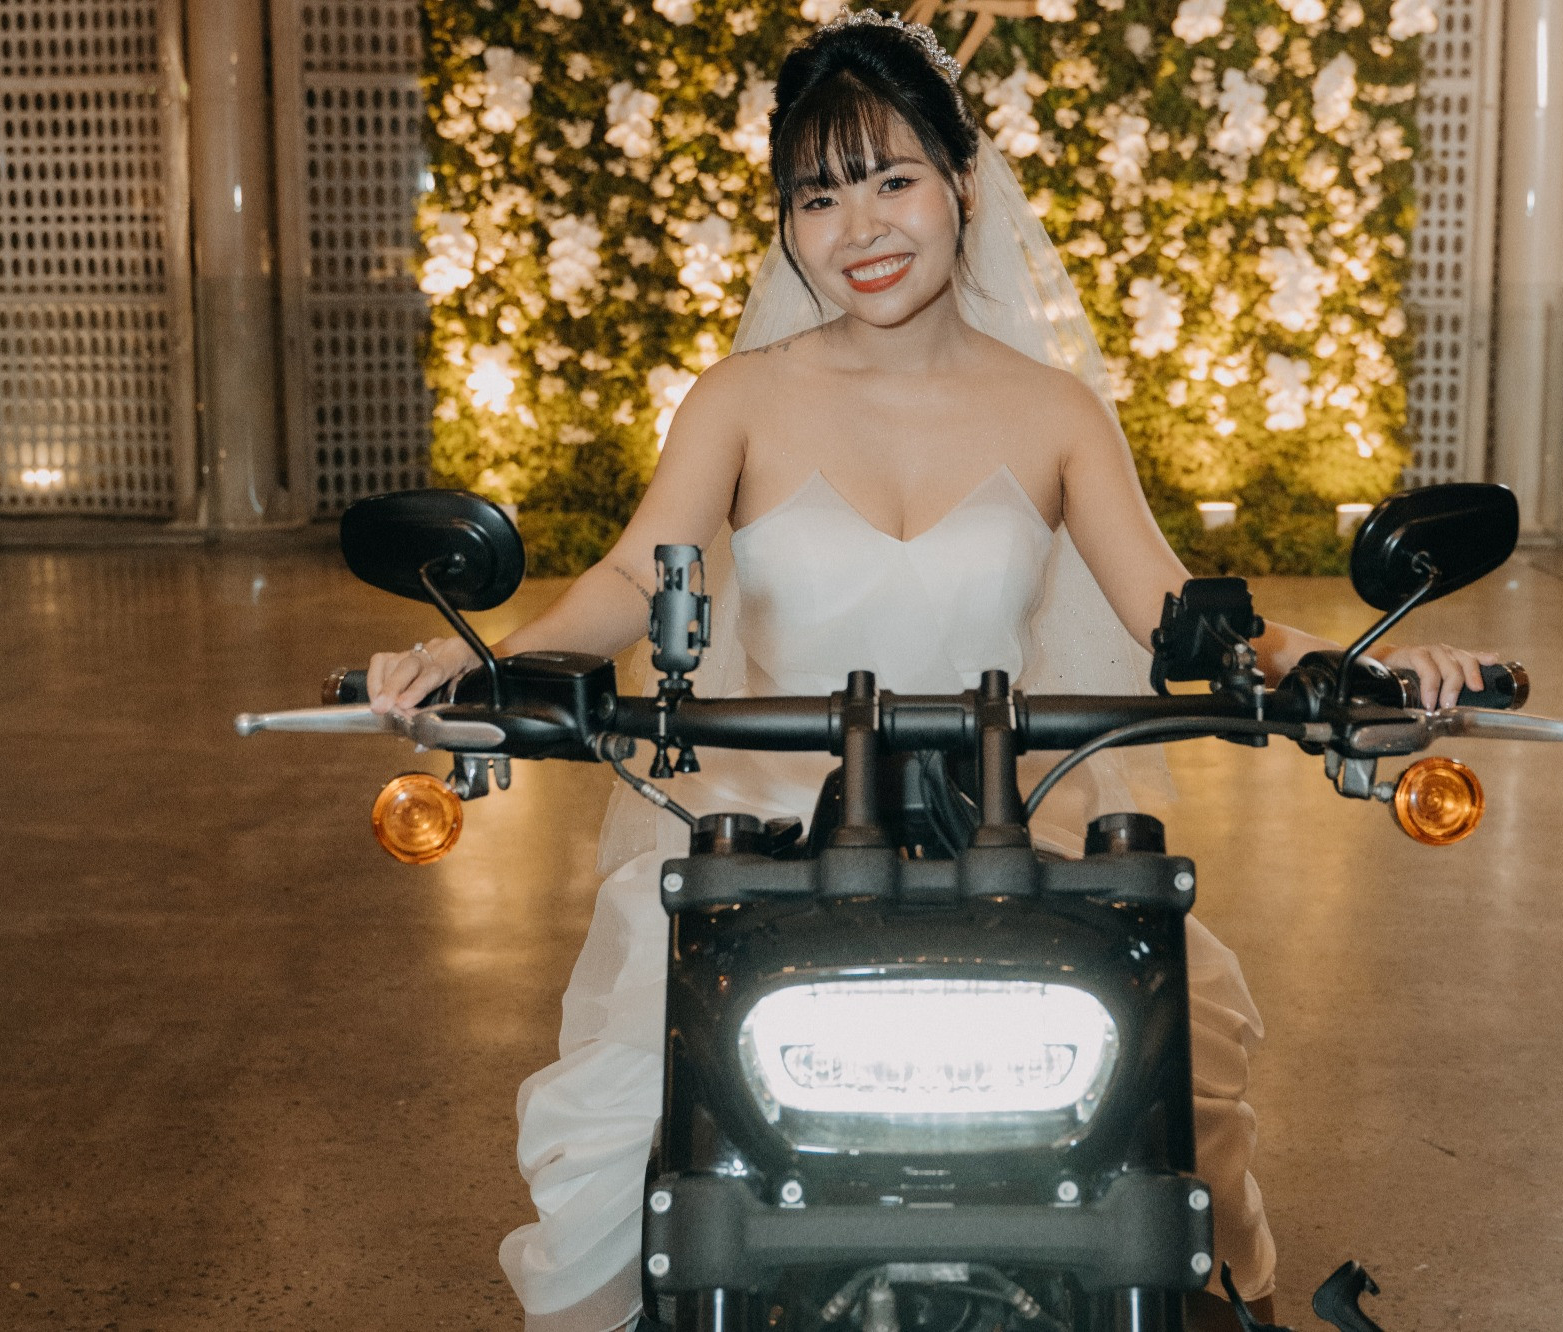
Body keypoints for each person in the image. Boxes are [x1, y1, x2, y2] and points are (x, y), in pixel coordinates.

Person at [366, 14, 1496, 1331]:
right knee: (629, 1143)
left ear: (962, 179)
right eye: (818, 196)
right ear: (787, 223)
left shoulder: (1057, 411)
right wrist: (483, 661)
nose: (860, 227)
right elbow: (631, 578)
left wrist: (1365, 675)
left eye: (892, 178)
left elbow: (1182, 616)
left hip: (1009, 825)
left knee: (1179, 1087)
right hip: (766, 837)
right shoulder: (738, 398)